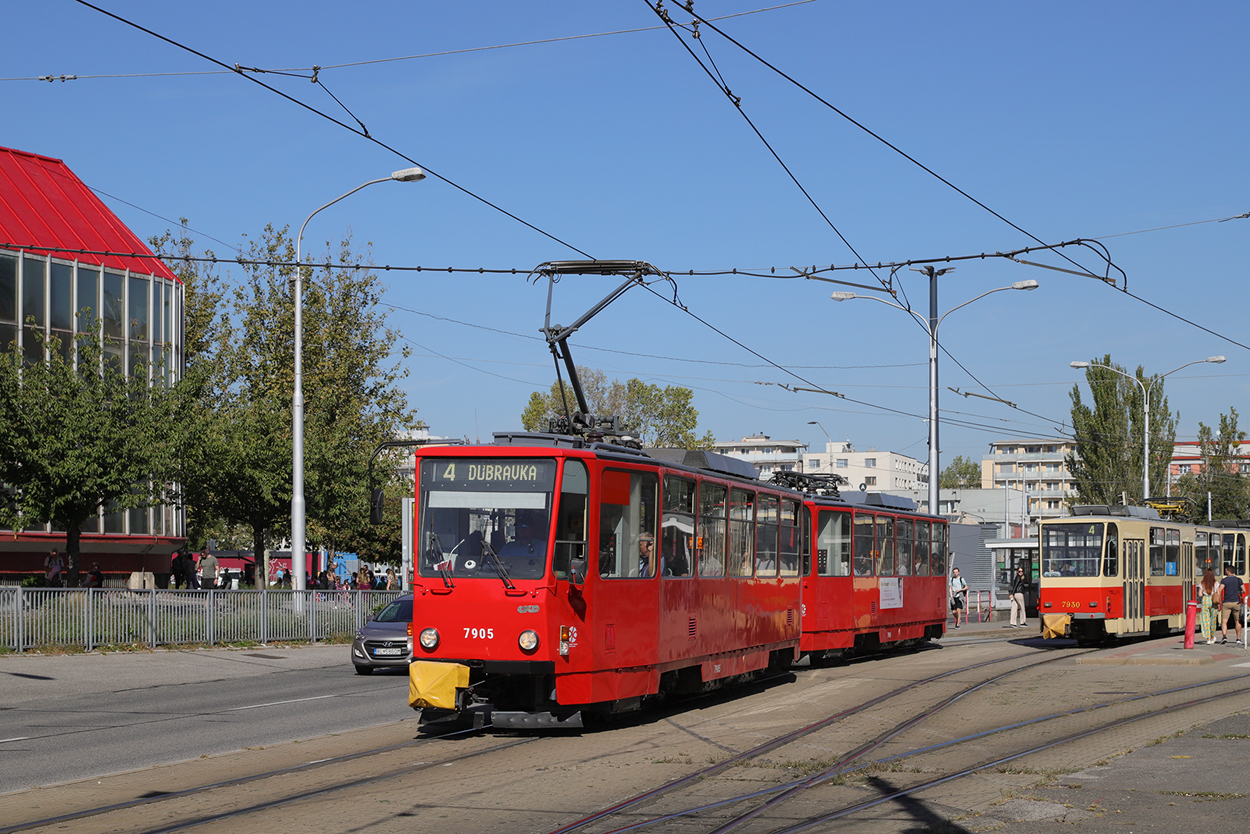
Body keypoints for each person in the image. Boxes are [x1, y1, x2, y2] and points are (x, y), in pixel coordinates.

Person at [1218, 564, 1244, 644]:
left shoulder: (1224, 580)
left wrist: (1219, 597)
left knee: (1224, 621)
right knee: (1237, 621)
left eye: (1226, 570)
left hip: (1226, 603)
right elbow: (1244, 590)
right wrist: (1238, 592)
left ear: (1228, 571)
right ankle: (1238, 639)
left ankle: (1224, 637)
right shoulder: (1239, 580)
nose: (1225, 571)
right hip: (1236, 602)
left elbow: (1219, 590)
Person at [1198, 568, 1219, 644]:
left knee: (1205, 619)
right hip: (1213, 600)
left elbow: (1200, 594)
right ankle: (1212, 636)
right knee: (1213, 619)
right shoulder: (1216, 583)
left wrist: (1204, 593)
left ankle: (1208, 638)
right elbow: (1218, 592)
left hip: (1205, 600)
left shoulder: (1202, 583)